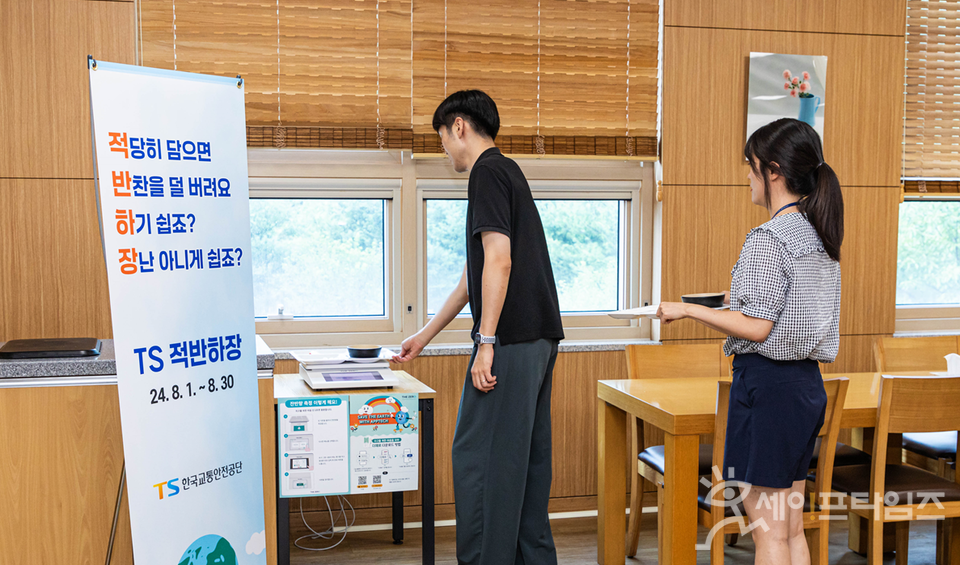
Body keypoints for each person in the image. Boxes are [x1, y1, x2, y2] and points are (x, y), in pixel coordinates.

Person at [657, 118, 843, 565]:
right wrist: (732, 298)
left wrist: (687, 310)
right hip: (805, 388)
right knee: (791, 528)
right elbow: (785, 308)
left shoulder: (769, 237)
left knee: (768, 534)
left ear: (773, 171)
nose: (747, 175)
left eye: (751, 165)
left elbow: (758, 327)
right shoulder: (819, 235)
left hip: (769, 389)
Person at [392, 89, 565, 565]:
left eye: (442, 137)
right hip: (539, 339)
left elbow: (499, 261)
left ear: (460, 127)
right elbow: (476, 275)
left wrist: (485, 342)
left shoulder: (486, 172)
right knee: (526, 469)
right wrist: (424, 336)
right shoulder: (509, 171)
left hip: (509, 342)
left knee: (479, 463)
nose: (444, 148)